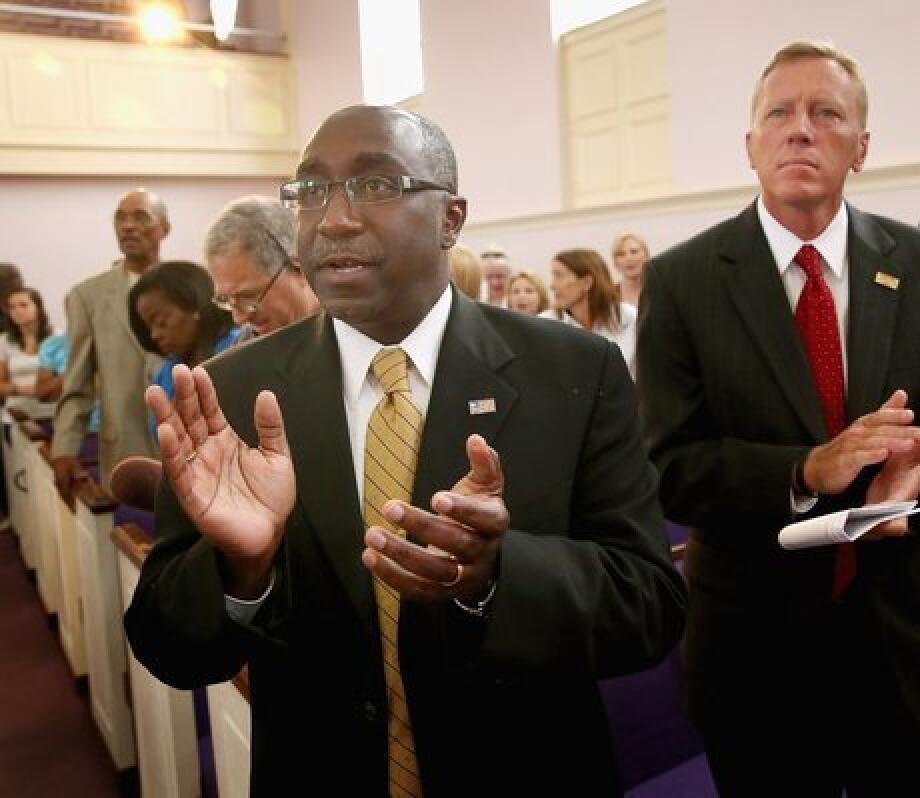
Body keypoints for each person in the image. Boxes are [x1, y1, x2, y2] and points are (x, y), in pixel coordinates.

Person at [124, 104, 685, 797]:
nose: (333, 219)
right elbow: (166, 647)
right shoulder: (234, 393)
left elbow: (650, 607)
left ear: (452, 218)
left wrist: (497, 576)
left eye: (376, 185)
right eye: (312, 191)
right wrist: (240, 567)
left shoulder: (574, 371)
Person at [637, 41, 920, 797]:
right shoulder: (681, 282)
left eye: (826, 113)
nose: (800, 130)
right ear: (750, 145)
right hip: (756, 648)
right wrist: (803, 470)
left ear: (861, 147)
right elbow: (666, 466)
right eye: (780, 113)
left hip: (910, 640)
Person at [51, 188, 169, 496]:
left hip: (187, 448)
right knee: (129, 538)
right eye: (120, 218)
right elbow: (77, 385)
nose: (127, 226)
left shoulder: (192, 287)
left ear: (164, 229)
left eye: (141, 217)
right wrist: (64, 449)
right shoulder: (87, 297)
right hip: (123, 452)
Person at [204, 196, 319, 341]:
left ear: (300, 266)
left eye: (248, 297)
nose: (238, 319)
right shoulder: (248, 342)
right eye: (227, 300)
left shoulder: (350, 334)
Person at [128, 260, 238, 403]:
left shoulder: (239, 348)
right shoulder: (166, 374)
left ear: (193, 304)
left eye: (161, 321)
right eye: (148, 327)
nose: (154, 335)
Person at [544, 249, 637, 372]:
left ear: (587, 282)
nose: (552, 285)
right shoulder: (546, 324)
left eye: (559, 275)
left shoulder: (628, 317)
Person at [0, 288, 56, 418]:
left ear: (38, 307)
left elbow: (70, 377)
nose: (17, 311)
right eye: (12, 307)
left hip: (54, 413)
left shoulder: (58, 338)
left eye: (23, 305)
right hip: (18, 415)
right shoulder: (4, 341)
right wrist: (19, 389)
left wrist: (43, 389)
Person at [611, 232, 649, 307]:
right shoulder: (609, 296)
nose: (628, 258)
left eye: (634, 252)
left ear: (646, 256)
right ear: (615, 263)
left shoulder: (661, 290)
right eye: (621, 254)